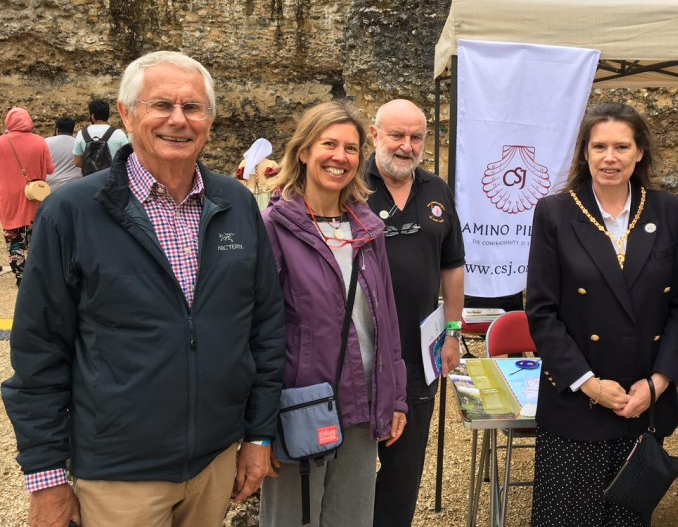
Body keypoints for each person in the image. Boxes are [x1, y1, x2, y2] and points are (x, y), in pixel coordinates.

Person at [1, 51, 285, 527]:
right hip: (120, 476)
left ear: (210, 122)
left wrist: (258, 435)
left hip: (214, 462)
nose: (179, 120)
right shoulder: (73, 212)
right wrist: (47, 477)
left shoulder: (234, 202)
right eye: (161, 105)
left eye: (193, 108)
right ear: (127, 113)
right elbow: (39, 351)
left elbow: (265, 326)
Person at [525, 102, 678, 527]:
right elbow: (542, 310)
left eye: (622, 146)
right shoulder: (555, 212)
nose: (610, 157)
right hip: (578, 400)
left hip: (642, 402)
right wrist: (588, 384)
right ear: (584, 153)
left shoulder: (668, 210)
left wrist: (657, 384)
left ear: (640, 153)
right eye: (599, 146)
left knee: (627, 520)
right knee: (568, 519)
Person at [260, 101, 407, 527]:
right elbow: (258, 330)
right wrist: (259, 425)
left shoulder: (367, 229)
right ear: (304, 151)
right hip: (301, 408)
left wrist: (395, 396)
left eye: (351, 148)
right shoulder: (273, 226)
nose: (339, 157)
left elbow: (388, 322)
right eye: (329, 144)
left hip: (361, 406)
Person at [366, 99, 465, 527]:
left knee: (404, 471)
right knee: (351, 463)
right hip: (360, 354)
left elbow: (453, 264)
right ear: (375, 135)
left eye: (416, 137)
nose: (406, 146)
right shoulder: (349, 184)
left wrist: (455, 331)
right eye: (396, 135)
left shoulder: (436, 189)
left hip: (418, 353)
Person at [0, 107, 54, 287]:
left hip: (9, 199)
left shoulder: (1, 142)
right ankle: (38, 273)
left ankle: (20, 276)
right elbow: (50, 169)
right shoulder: (40, 141)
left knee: (14, 237)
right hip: (36, 196)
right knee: (37, 236)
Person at [73, 98, 129, 173]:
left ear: (92, 116)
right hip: (113, 178)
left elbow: (78, 162)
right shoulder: (118, 133)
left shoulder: (82, 134)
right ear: (108, 115)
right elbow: (129, 159)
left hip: (90, 179)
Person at [44, 117, 82, 190]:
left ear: (57, 130)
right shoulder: (78, 143)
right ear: (72, 130)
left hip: (51, 186)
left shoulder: (45, 142)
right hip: (75, 185)